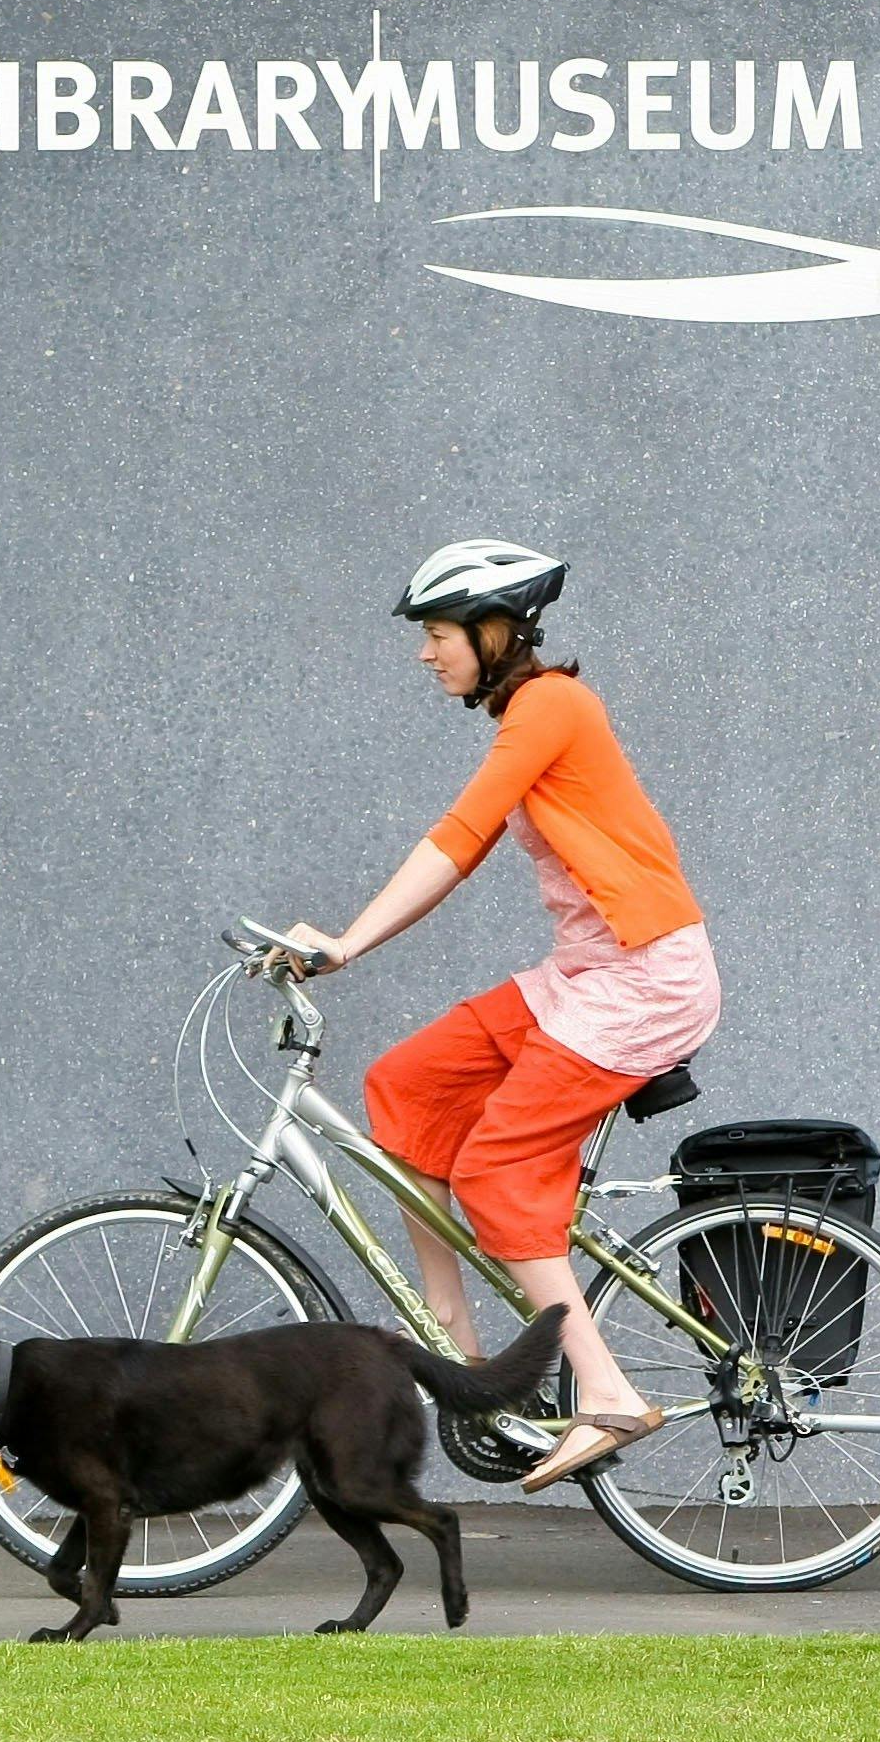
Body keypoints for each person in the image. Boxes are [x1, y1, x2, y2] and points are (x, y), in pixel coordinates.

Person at [278, 538, 721, 1493]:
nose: (424, 653)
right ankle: (456, 1343)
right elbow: (469, 845)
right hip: (589, 973)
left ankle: (607, 1394)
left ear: (494, 632)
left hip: (644, 980)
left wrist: (346, 944)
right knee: (407, 1085)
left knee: (496, 1170)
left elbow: (460, 836)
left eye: (438, 634)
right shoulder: (528, 714)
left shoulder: (553, 704)